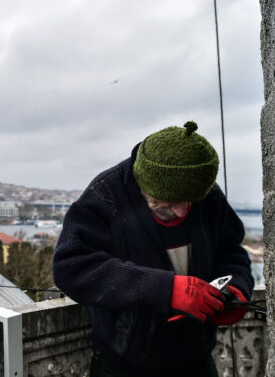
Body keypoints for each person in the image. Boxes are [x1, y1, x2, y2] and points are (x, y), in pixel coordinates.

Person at [53, 121, 253, 376]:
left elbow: (231, 251)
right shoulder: (105, 196)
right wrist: (167, 290)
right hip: (125, 363)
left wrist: (234, 287)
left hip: (195, 356)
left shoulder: (205, 193)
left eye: (189, 202)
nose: (181, 211)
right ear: (147, 187)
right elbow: (70, 267)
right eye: (170, 202)